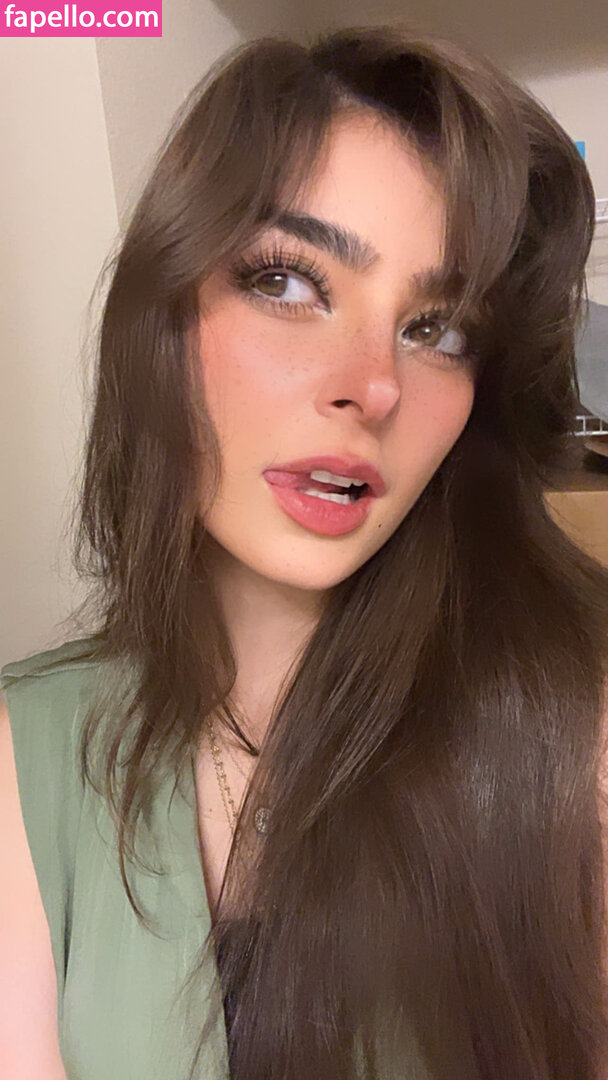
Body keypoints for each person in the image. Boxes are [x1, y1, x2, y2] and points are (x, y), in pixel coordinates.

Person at [2, 22, 608, 1080]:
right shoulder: (27, 755)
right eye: (288, 282)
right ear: (163, 316)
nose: (372, 385)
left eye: (436, 328)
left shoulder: (572, 732)